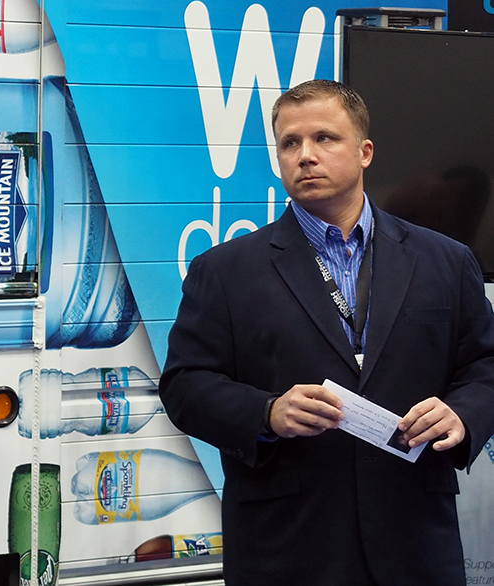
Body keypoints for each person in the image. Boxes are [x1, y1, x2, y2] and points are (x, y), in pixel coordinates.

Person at [161, 79, 494, 586]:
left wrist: (463, 414)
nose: (305, 155)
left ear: (365, 152)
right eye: (290, 143)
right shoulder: (225, 271)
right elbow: (185, 386)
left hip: (414, 543)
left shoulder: (445, 260)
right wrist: (267, 412)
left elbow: (484, 367)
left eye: (324, 139)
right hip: (287, 547)